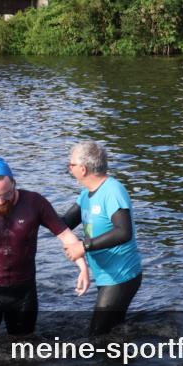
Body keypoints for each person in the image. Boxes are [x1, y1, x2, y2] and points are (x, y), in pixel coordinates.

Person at [0, 157, 89, 348]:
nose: (1, 201)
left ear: (14, 184)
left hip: (24, 293)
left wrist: (83, 267)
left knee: (21, 353)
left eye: (6, 194)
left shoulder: (34, 202)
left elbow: (66, 236)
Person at [61, 141, 143, 336]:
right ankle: (126, 356)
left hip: (121, 275)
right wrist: (34, 212)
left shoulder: (112, 191)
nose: (69, 168)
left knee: (98, 336)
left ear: (83, 169)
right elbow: (63, 224)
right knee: (113, 331)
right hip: (106, 274)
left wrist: (84, 246)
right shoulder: (86, 195)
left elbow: (124, 232)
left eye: (70, 165)